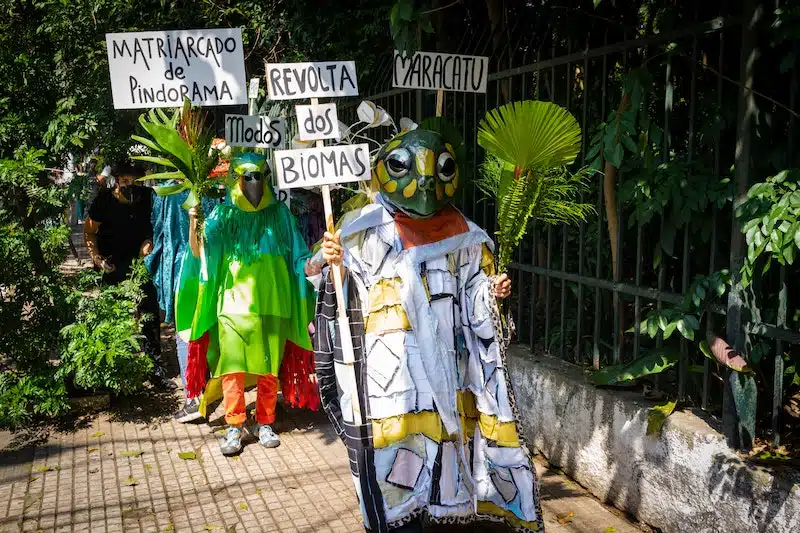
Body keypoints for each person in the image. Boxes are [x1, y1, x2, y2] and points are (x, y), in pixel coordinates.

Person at [314, 125, 542, 533]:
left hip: (445, 369)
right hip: (391, 373)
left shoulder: (464, 234)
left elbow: (472, 289)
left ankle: (440, 510)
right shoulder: (362, 230)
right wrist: (330, 261)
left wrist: (491, 290)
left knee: (442, 450)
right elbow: (331, 283)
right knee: (395, 454)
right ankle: (395, 516)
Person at [186, 152, 318, 455]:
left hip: (273, 304)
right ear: (235, 178)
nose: (253, 182)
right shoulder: (222, 215)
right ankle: (234, 424)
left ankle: (266, 420)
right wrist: (194, 223)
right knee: (233, 367)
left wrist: (311, 263)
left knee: (268, 368)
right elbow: (200, 254)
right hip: (232, 307)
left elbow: (297, 254)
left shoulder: (280, 214)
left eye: (259, 175)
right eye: (246, 176)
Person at [146, 184, 221, 422]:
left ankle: (193, 396)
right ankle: (210, 387)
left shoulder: (166, 191)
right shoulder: (214, 188)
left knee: (186, 330)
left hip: (181, 267)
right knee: (211, 324)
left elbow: (158, 229)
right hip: (213, 263)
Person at [84, 161, 165, 378]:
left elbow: (157, 227)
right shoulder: (105, 201)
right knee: (115, 314)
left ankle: (153, 365)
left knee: (148, 313)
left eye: (135, 181)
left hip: (141, 264)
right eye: (125, 181)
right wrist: (97, 259)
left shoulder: (149, 197)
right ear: (117, 181)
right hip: (112, 263)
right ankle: (119, 366)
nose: (130, 186)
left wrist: (149, 241)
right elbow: (90, 232)